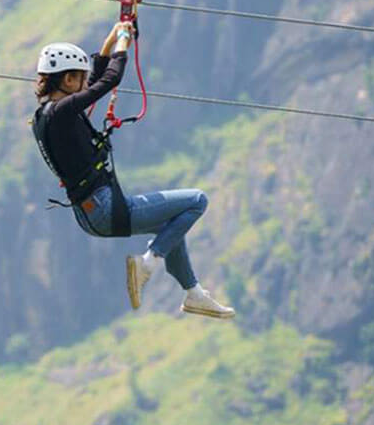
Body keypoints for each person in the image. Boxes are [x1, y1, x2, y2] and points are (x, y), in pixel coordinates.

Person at [31, 22, 235, 319]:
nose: (84, 82)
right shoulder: (63, 112)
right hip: (106, 209)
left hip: (89, 214)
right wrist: (124, 43)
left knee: (174, 224)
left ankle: (193, 294)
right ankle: (148, 263)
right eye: (79, 78)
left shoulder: (45, 116)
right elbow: (109, 80)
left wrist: (111, 38)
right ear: (67, 79)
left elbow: (96, 81)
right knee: (197, 201)